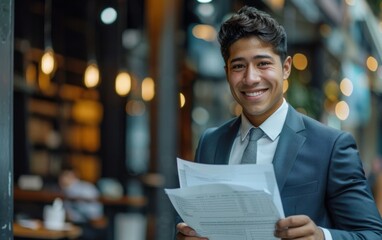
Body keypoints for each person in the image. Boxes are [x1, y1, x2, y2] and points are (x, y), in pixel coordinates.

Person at [176, 5, 382, 240]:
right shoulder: (210, 142)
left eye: (263, 64)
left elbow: (373, 235)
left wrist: (322, 237)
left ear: (285, 68)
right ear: (227, 73)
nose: (251, 78)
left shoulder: (331, 146)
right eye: (239, 66)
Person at [58, 165, 106, 240]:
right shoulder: (62, 191)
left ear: (74, 176)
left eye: (66, 175)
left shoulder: (85, 189)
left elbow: (95, 216)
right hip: (71, 224)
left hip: (87, 225)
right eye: (61, 176)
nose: (62, 179)